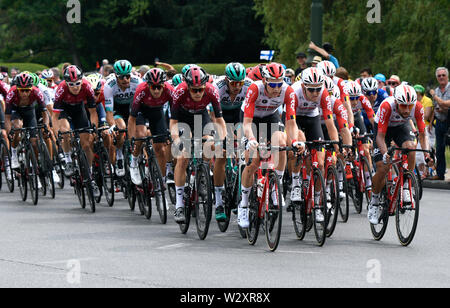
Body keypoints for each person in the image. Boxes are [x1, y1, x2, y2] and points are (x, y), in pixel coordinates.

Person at [238, 62, 302, 228]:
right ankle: (243, 204)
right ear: (265, 81)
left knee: (281, 142)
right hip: (250, 120)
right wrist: (251, 139)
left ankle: (276, 185)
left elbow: (291, 122)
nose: (276, 88)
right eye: (272, 84)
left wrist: (294, 141)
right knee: (253, 161)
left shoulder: (288, 91)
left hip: (270, 117)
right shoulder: (254, 88)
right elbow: (247, 123)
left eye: (279, 84)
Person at [170, 66, 227, 223]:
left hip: (201, 116)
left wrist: (222, 139)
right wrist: (177, 141)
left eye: (201, 90)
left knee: (210, 143)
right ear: (187, 87)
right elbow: (173, 122)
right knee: (183, 156)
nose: (198, 93)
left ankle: (202, 173)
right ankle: (180, 205)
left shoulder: (212, 91)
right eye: (194, 90)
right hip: (182, 118)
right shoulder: (179, 92)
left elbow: (219, 120)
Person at [368, 85, 429, 225]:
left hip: (401, 126)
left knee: (411, 147)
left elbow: (422, 134)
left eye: (410, 106)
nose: (407, 110)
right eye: (403, 106)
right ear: (396, 102)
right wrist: (384, 154)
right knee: (382, 167)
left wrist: (426, 155)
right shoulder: (387, 106)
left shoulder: (418, 107)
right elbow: (380, 137)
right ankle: (375, 201)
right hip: (383, 130)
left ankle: (406, 185)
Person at [212, 62, 252, 221]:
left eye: (240, 83)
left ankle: (241, 193)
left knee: (246, 151)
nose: (237, 86)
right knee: (221, 154)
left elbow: (250, 114)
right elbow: (214, 117)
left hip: (239, 115)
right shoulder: (217, 87)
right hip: (220, 116)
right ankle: (219, 200)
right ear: (227, 80)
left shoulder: (249, 87)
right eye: (234, 83)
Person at [53, 65, 100, 197]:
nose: (75, 87)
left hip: (79, 111)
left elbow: (93, 112)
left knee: (86, 144)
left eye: (77, 83)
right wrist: (58, 134)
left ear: (82, 80)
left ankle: (90, 175)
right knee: (66, 132)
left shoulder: (87, 87)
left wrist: (94, 129)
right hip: (64, 111)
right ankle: (68, 160)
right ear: (66, 83)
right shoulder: (60, 89)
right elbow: (55, 116)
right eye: (71, 84)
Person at [128, 68, 174, 187]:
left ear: (164, 84)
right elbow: (132, 118)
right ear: (148, 85)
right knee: (141, 136)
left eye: (159, 86)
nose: (157, 90)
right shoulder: (141, 90)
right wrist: (131, 138)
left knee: (161, 148)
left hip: (157, 112)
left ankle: (161, 179)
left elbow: (175, 115)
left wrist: (171, 132)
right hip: (141, 112)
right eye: (153, 87)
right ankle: (133, 161)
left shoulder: (170, 90)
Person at [104, 60, 142, 177]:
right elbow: (109, 112)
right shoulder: (109, 86)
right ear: (116, 76)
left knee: (141, 133)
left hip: (133, 109)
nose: (125, 79)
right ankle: (119, 155)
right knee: (121, 128)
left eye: (128, 76)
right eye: (122, 77)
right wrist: (112, 126)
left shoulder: (138, 82)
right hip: (118, 110)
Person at [429, 67, 450, 181]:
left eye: (443, 75)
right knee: (439, 149)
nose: (441, 77)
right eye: (439, 76)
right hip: (439, 123)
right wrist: (431, 123)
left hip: (449, 123)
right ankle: (440, 174)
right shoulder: (437, 90)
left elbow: (444, 104)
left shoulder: (436, 92)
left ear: (447, 76)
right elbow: (435, 108)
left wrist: (434, 96)